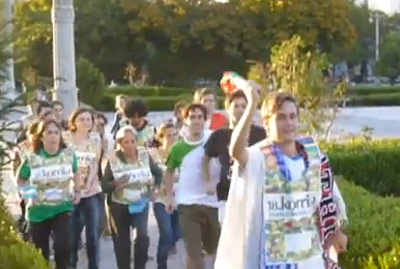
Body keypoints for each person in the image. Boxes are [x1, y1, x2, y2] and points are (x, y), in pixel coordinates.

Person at [216, 88, 348, 268]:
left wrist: (337, 231)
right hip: (272, 260)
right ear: (266, 123)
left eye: (292, 116)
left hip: (311, 259)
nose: (289, 123)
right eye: (281, 117)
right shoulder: (259, 157)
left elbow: (328, 202)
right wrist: (251, 105)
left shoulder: (314, 156)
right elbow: (236, 151)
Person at [17, 119, 81, 269]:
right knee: (41, 254)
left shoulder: (68, 154)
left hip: (62, 207)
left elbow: (76, 172)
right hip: (38, 211)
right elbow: (21, 180)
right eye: (49, 133)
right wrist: (30, 194)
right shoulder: (32, 158)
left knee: (63, 248)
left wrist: (77, 191)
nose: (53, 136)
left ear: (60, 136)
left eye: (56, 133)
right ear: (41, 137)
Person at [164, 104, 220, 269]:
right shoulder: (178, 148)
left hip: (212, 203)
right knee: (194, 253)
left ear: (205, 119)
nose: (196, 121)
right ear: (185, 121)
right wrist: (169, 196)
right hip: (187, 204)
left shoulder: (214, 140)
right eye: (192, 117)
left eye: (199, 117)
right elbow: (169, 172)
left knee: (213, 249)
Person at [101, 125, 162, 269]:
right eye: (125, 142)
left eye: (132, 141)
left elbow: (158, 173)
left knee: (142, 237)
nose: (129, 145)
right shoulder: (113, 159)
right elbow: (104, 185)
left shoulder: (144, 155)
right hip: (118, 205)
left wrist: (156, 188)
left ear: (136, 141)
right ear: (119, 144)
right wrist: (115, 185)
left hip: (140, 202)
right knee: (122, 243)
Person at [203, 90, 266, 222]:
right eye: (236, 106)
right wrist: (208, 181)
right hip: (227, 194)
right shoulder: (219, 135)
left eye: (244, 106)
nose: (240, 110)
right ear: (227, 108)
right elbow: (206, 158)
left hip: (254, 193)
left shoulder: (261, 134)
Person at [66, 108, 103, 269]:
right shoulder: (66, 139)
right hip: (71, 192)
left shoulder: (95, 139)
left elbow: (95, 163)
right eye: (82, 119)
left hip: (91, 191)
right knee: (73, 236)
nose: (86, 122)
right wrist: (76, 186)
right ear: (74, 122)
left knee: (92, 235)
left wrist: (88, 184)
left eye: (89, 119)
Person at [148, 123, 181, 269]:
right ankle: (161, 265)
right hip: (161, 199)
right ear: (160, 138)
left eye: (175, 135)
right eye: (169, 135)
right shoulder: (153, 155)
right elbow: (147, 174)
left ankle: (170, 245)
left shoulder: (182, 153)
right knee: (166, 233)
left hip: (180, 199)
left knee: (179, 232)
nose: (173, 138)